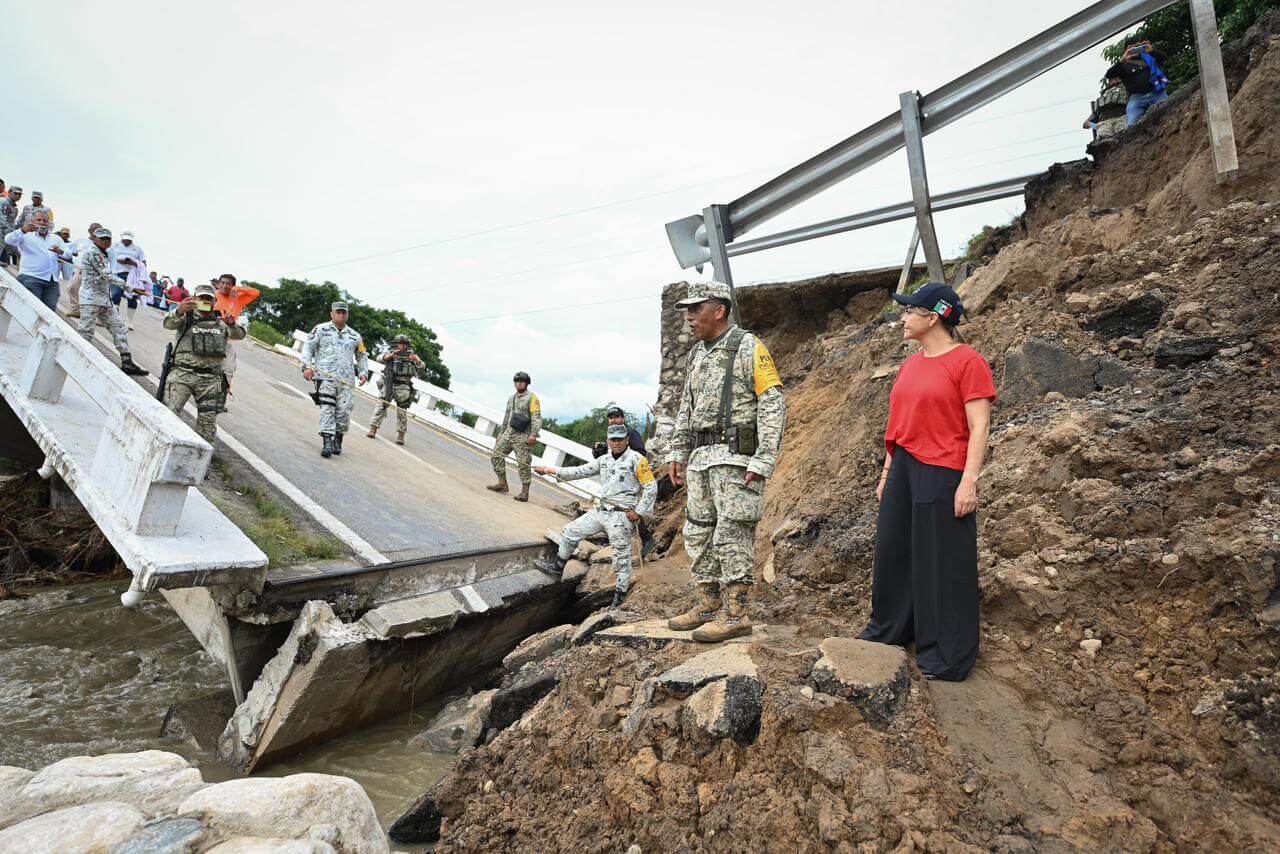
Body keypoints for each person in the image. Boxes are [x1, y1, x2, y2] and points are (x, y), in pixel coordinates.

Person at [858, 283, 994, 682]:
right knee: (893, 551)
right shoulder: (911, 364)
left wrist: (969, 482)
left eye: (909, 312)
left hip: (944, 470)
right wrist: (887, 473)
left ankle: (948, 655)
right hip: (904, 467)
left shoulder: (968, 362)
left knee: (942, 561)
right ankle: (891, 631)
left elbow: (979, 425)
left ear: (933, 317)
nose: (903, 319)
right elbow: (898, 425)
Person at [665, 281, 786, 643]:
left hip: (735, 460)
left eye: (695, 309)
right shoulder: (696, 355)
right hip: (701, 459)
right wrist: (678, 450)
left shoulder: (748, 347)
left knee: (732, 534)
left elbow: (772, 402)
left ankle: (736, 614)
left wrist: (763, 459)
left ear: (719, 310)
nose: (688, 317)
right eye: (686, 310)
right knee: (698, 532)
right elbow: (687, 406)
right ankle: (707, 603)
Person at [535, 424, 657, 608]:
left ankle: (619, 597)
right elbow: (579, 471)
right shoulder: (604, 460)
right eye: (613, 439)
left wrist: (639, 511)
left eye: (620, 439)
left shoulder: (637, 460)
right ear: (608, 441)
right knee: (570, 532)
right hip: (600, 511)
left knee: (621, 559)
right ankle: (557, 568)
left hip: (621, 517)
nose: (616, 443)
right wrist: (549, 470)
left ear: (627, 440)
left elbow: (651, 487)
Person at [162, 282, 245, 442]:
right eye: (201, 298)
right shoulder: (185, 317)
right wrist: (179, 310)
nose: (205, 301)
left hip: (210, 381)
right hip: (183, 374)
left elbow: (240, 334)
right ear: (194, 299)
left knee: (207, 428)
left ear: (214, 302)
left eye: (209, 299)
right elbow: (167, 324)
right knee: (168, 414)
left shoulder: (221, 322)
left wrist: (231, 323)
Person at [76, 227, 148, 376]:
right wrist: (131, 288)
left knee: (120, 328)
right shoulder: (93, 253)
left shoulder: (107, 254)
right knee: (86, 331)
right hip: (90, 299)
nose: (105, 241)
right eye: (101, 238)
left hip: (104, 299)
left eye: (107, 239)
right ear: (95, 239)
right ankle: (75, 358)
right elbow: (107, 275)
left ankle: (127, 362)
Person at [300, 301, 368, 458]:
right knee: (328, 409)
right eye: (338, 312)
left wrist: (363, 372)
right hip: (325, 377)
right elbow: (308, 348)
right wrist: (306, 367)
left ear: (347, 315)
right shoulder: (320, 329)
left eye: (344, 312)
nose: (341, 314)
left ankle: (338, 438)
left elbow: (361, 355)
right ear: (332, 313)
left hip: (346, 381)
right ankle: (327, 441)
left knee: (343, 412)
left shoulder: (355, 336)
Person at [605, 405, 658, 557]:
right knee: (620, 508)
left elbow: (641, 452)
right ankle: (640, 540)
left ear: (622, 418)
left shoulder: (630, 433)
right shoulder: (610, 434)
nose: (613, 420)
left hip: (632, 477)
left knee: (628, 508)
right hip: (617, 479)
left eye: (616, 417)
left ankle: (647, 540)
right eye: (611, 418)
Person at [487, 371, 542, 502]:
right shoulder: (511, 398)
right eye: (517, 381)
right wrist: (500, 434)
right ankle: (502, 483)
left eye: (522, 381)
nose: (519, 383)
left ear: (527, 383)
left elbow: (536, 418)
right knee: (496, 455)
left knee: (523, 464)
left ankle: (524, 492)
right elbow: (506, 417)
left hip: (523, 436)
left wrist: (533, 434)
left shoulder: (532, 398)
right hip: (508, 434)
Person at [3, 212, 67, 311]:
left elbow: (68, 254)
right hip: (31, 278)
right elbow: (8, 240)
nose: (42, 222)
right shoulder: (25, 235)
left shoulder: (56, 238)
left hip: (51, 281)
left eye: (45, 221)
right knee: (30, 310)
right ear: (33, 222)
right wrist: (22, 230)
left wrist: (60, 251)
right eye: (39, 220)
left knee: (50, 312)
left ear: (49, 224)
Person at [367, 334, 422, 445]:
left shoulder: (411, 356)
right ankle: (373, 429)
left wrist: (416, 360)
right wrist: (387, 357)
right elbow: (378, 358)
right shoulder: (392, 353)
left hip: (403, 386)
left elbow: (422, 366)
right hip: (389, 383)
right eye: (399, 343)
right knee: (381, 406)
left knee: (402, 412)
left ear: (407, 345)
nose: (401, 346)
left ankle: (401, 435)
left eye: (403, 344)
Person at [1105, 38, 1169, 126]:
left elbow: (1164, 57)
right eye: (1132, 48)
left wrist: (1152, 51)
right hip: (1137, 98)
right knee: (1131, 124)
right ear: (1126, 50)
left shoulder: (1149, 58)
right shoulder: (1123, 65)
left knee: (1169, 111)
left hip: (1157, 93)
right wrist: (1122, 60)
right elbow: (1109, 74)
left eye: (1138, 47)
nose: (1135, 49)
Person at [64, 221, 104, 319]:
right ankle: (76, 310)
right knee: (72, 286)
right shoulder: (81, 241)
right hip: (80, 270)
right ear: (89, 231)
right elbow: (67, 250)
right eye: (95, 231)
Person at [109, 231, 146, 327]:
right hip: (117, 273)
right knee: (116, 295)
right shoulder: (114, 246)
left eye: (128, 240)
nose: (126, 241)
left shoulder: (138, 249)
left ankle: (129, 321)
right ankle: (115, 317)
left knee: (132, 298)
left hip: (132, 277)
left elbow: (144, 264)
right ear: (121, 237)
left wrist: (133, 263)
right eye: (125, 239)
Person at [0, 183, 17, 266]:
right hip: (3, 234)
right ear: (9, 192)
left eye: (19, 194)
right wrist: (9, 232)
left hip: (6, 237)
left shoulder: (13, 206)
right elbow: (2, 220)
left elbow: (12, 222)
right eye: (15, 193)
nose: (17, 196)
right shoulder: (4, 202)